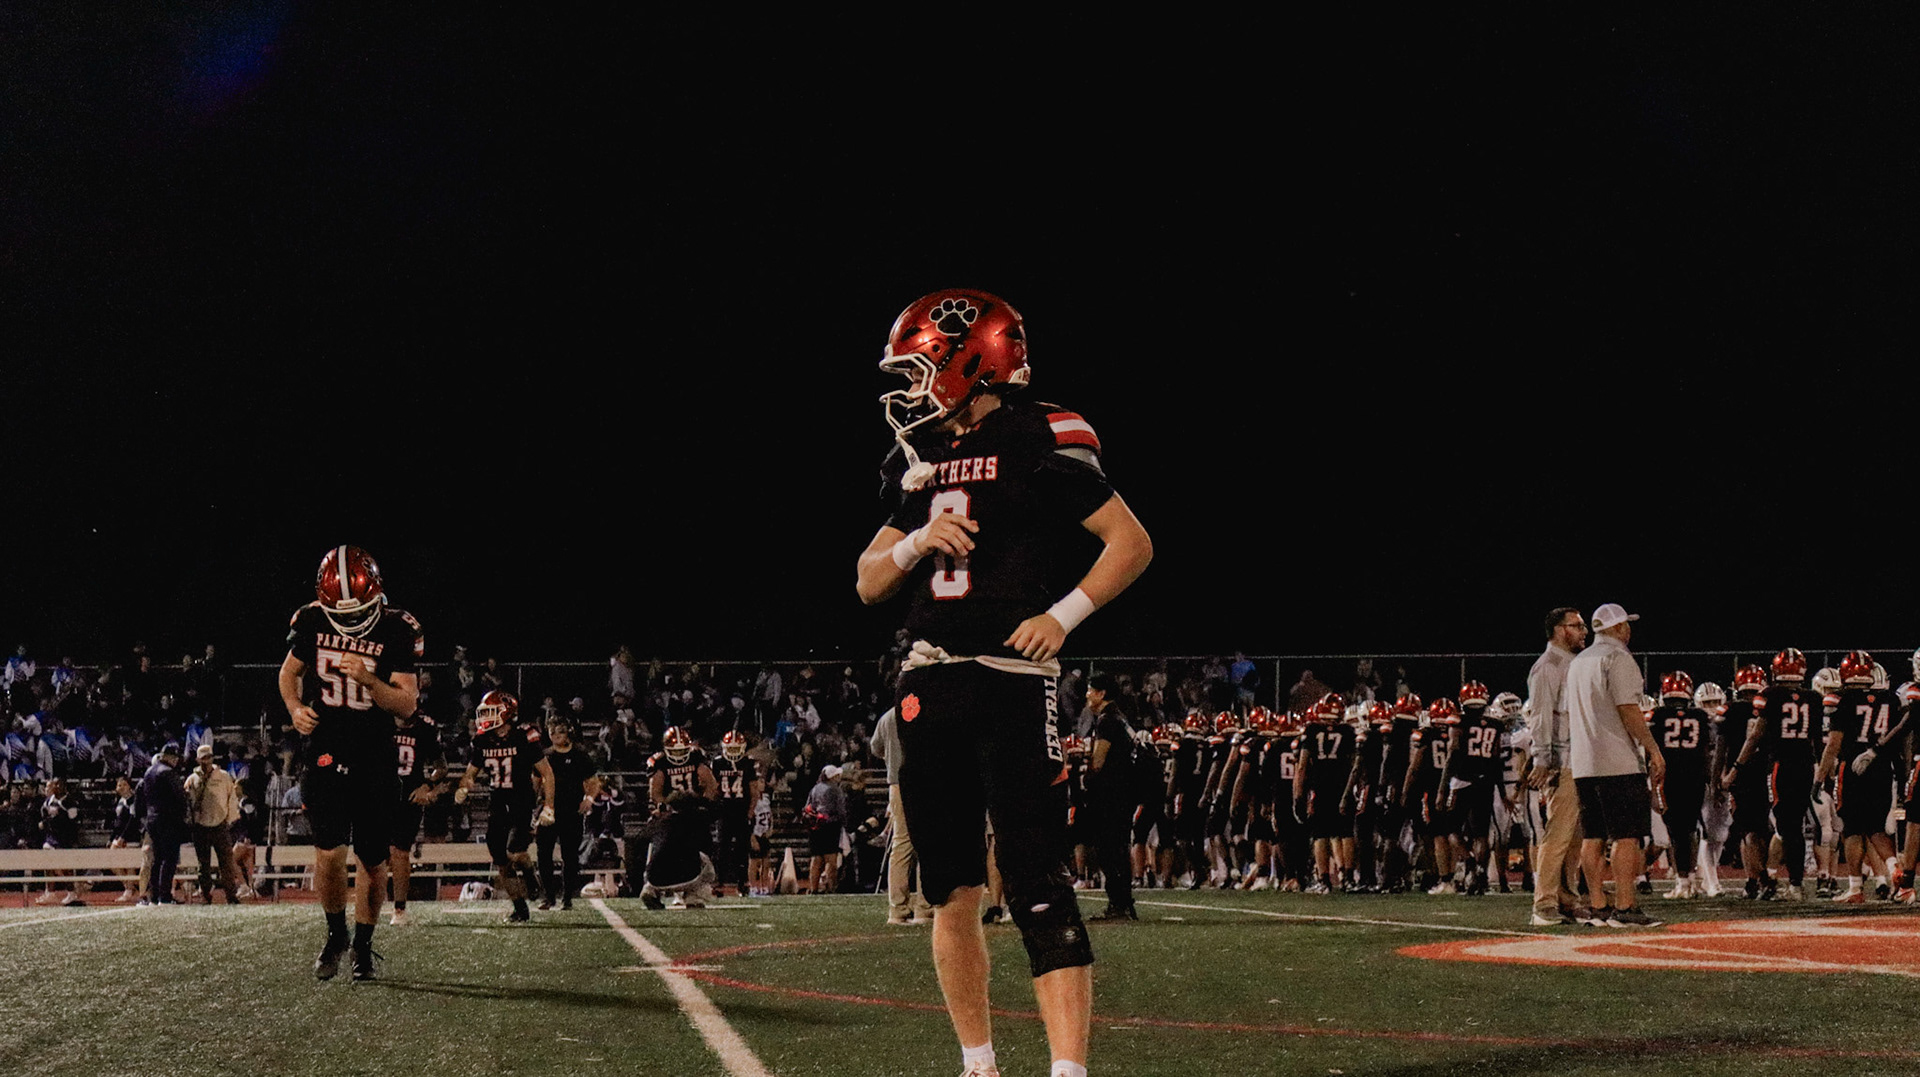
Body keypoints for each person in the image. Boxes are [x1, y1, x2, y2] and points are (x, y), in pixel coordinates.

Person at [855, 289, 1153, 1077]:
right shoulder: (917, 453)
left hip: (1012, 681)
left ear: (969, 359)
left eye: (920, 368)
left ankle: (1068, 1070)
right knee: (949, 889)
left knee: (1038, 881)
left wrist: (1062, 615)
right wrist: (917, 540)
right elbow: (868, 581)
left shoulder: (1040, 431)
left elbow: (1130, 542)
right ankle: (978, 1063)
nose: (910, 387)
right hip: (928, 684)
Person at [280, 545, 424, 980]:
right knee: (328, 853)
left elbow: (407, 705)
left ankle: (363, 945)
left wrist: (368, 679)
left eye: (358, 611)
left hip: (375, 753)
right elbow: (288, 673)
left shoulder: (397, 628)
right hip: (326, 747)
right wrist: (294, 708)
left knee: (372, 860)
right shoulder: (310, 619)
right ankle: (335, 934)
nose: (351, 620)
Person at [1565, 603, 1664, 927]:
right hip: (1617, 761)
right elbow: (1628, 708)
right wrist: (1652, 749)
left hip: (1584, 762)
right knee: (1627, 836)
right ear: (1618, 627)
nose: (1629, 630)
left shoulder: (1578, 662)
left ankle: (1598, 906)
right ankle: (1624, 907)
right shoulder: (1618, 657)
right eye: (1626, 624)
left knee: (1593, 836)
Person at [456, 690, 555, 923]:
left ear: (506, 713)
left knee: (515, 852)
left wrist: (548, 806)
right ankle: (520, 908)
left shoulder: (524, 735)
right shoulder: (482, 739)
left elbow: (547, 773)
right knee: (501, 860)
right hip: (497, 803)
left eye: (491, 712)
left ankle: (528, 872)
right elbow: (471, 773)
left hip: (521, 801)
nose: (485, 717)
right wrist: (464, 787)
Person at [1524, 607, 1592, 926]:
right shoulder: (1547, 666)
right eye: (1577, 626)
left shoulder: (1571, 663)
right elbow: (1540, 716)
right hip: (1562, 761)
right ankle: (1544, 903)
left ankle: (1568, 898)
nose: (1584, 631)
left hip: (1580, 760)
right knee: (1558, 834)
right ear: (1560, 630)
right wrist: (1543, 759)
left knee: (1574, 837)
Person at [870, 706, 933, 924]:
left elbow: (875, 748)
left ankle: (897, 909)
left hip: (896, 784)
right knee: (926, 844)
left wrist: (892, 756)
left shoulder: (888, 716)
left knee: (901, 845)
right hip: (923, 782)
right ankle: (924, 907)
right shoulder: (925, 710)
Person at [1084, 674, 1140, 919]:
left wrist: (1086, 777)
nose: (1087, 695)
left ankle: (1118, 903)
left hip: (1111, 794)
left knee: (1109, 849)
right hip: (1124, 792)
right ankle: (1123, 902)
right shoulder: (1120, 718)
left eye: (1090, 690)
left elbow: (1098, 761)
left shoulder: (1107, 720)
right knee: (1119, 847)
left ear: (1101, 693)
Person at [387, 709, 448, 926]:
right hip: (380, 793)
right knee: (373, 855)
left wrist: (427, 785)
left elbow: (441, 767)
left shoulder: (425, 728)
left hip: (409, 797)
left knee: (400, 852)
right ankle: (369, 905)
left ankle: (399, 908)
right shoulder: (380, 719)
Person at [536, 711, 598, 910]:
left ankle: (568, 897)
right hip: (548, 809)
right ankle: (548, 896)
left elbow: (593, 781)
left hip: (571, 811)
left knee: (570, 856)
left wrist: (589, 799)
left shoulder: (579, 755)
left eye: (560, 731)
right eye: (552, 732)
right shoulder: (545, 756)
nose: (556, 735)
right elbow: (535, 782)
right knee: (543, 854)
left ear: (568, 732)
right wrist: (533, 805)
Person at [182, 744, 243, 904]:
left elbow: (232, 798)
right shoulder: (192, 779)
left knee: (226, 863)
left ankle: (231, 895)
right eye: (203, 758)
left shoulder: (223, 777)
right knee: (203, 866)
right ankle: (206, 895)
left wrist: (229, 819)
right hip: (200, 826)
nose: (206, 761)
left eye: (208, 757)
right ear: (198, 760)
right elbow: (187, 802)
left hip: (220, 824)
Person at [137, 742, 188, 906]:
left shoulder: (148, 772)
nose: (176, 760)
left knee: (157, 859)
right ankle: (165, 896)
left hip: (152, 819)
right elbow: (179, 797)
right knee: (169, 858)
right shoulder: (168, 772)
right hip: (168, 819)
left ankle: (154, 896)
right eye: (175, 757)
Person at [710, 729, 760, 898]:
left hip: (741, 810)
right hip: (724, 811)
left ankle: (742, 882)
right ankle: (719, 882)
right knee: (722, 849)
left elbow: (754, 790)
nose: (732, 752)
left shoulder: (748, 763)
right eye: (730, 748)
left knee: (742, 849)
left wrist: (750, 812)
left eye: (735, 748)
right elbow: (713, 788)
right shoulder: (717, 763)